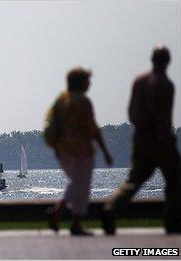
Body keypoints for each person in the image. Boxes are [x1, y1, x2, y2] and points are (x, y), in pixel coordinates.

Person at [102, 45, 181, 235]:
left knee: (134, 180)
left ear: (152, 59)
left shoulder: (139, 81)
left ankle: (111, 209)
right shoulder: (165, 84)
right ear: (167, 61)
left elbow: (131, 113)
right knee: (175, 181)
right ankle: (173, 223)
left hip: (139, 136)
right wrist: (166, 143)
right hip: (160, 137)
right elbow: (164, 118)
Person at [45, 67, 113, 236]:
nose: (89, 83)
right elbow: (93, 129)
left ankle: (60, 214)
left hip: (63, 152)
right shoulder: (83, 102)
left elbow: (52, 125)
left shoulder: (60, 101)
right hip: (82, 152)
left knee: (76, 183)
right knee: (82, 186)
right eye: (87, 80)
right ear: (80, 83)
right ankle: (72, 221)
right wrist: (105, 150)